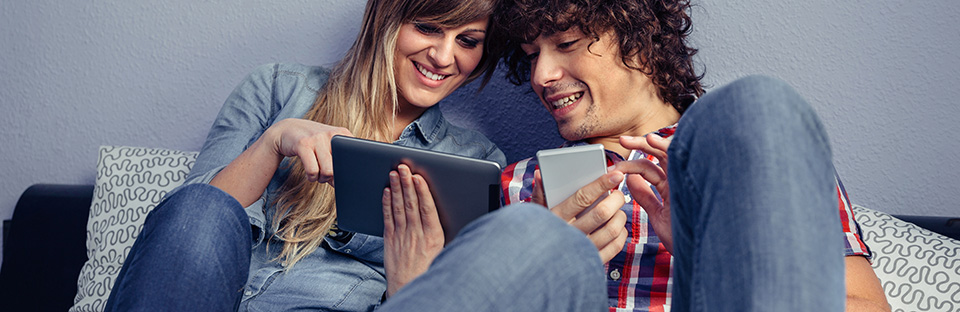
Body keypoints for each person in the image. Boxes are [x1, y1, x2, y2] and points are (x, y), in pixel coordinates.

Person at [102, 0, 608, 311]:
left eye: (467, 41)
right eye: (429, 28)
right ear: (388, 17)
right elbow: (188, 235)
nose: (443, 56)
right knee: (202, 207)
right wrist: (275, 142)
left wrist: (412, 275)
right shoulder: (278, 87)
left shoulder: (478, 163)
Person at [492, 0, 893, 311]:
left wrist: (705, 257)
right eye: (531, 55)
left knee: (760, 102)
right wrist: (539, 272)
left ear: (640, 37)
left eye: (566, 44)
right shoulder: (512, 183)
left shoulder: (750, 154)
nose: (542, 75)